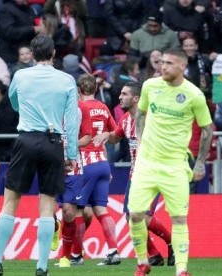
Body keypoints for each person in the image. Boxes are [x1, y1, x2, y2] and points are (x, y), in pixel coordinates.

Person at [0, 35, 79, 276]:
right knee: (47, 205)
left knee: (10, 201)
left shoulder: (20, 75)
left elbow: (14, 103)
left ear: (33, 54)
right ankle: (42, 267)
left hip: (26, 139)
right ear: (54, 53)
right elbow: (72, 121)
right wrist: (71, 154)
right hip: (53, 142)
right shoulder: (67, 79)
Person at [129, 48, 213, 276]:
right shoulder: (150, 86)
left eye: (168, 63)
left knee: (178, 218)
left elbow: (207, 129)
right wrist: (141, 141)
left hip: (175, 166)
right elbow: (140, 114)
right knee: (135, 214)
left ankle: (181, 269)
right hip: (146, 163)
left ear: (181, 67)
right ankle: (143, 262)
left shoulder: (194, 95)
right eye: (161, 62)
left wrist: (200, 163)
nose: (162, 66)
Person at [93, 82, 175, 267]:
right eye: (121, 93)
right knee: (131, 218)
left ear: (136, 98)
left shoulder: (150, 118)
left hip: (153, 172)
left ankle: (172, 244)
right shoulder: (125, 119)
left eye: (124, 94)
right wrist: (107, 135)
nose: (120, 97)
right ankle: (154, 255)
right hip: (135, 174)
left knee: (142, 218)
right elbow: (117, 136)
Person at [77, 73, 120, 266]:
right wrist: (105, 134)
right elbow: (115, 135)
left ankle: (75, 255)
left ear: (79, 90)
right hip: (103, 163)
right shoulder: (103, 107)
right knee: (101, 209)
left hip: (85, 163)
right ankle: (113, 250)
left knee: (76, 210)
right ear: (95, 89)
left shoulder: (78, 106)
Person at [54, 99, 92, 268]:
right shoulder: (47, 105)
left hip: (73, 166)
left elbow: (87, 137)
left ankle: (65, 256)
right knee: (48, 213)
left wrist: (69, 145)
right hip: (51, 165)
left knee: (69, 212)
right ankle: (55, 227)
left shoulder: (80, 108)